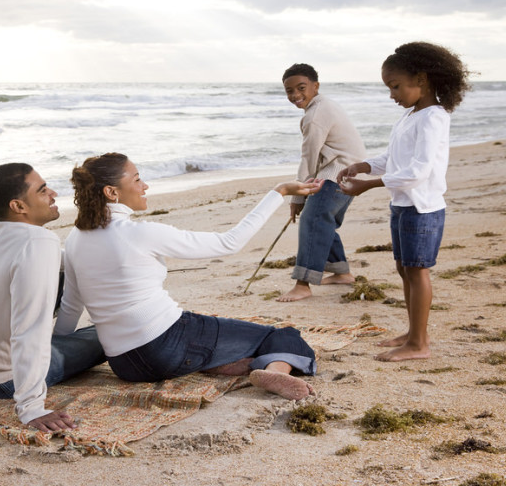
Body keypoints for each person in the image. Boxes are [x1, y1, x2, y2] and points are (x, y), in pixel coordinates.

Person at [54, 152, 323, 401]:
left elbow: (71, 305)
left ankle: (231, 362)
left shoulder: (76, 238)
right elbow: (229, 242)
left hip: (124, 364)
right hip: (167, 346)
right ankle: (278, 370)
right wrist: (279, 192)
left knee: (214, 336)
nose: (144, 186)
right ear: (112, 192)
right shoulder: (141, 233)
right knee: (281, 336)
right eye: (137, 179)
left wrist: (56, 351)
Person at [0, 163, 106, 432]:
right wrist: (31, 408)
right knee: (115, 332)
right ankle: (46, 366)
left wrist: (81, 260)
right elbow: (29, 330)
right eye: (42, 191)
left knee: (66, 274)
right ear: (18, 206)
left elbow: (50, 264)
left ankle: (58, 344)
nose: (53, 193)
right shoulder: (39, 243)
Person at [337, 42, 472, 362]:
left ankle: (419, 344)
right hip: (402, 204)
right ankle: (413, 333)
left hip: (422, 207)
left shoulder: (433, 117)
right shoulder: (412, 116)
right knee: (404, 268)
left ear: (421, 79)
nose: (392, 94)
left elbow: (418, 171)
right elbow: (393, 158)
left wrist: (367, 186)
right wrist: (364, 165)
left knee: (417, 271)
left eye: (395, 86)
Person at [277, 63, 368, 302]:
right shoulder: (322, 106)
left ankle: (303, 285)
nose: (295, 95)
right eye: (289, 91)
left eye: (301, 88)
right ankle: (341, 273)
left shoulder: (316, 115)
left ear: (316, 86)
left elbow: (309, 158)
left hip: (338, 173)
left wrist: (298, 196)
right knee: (323, 221)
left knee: (313, 219)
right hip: (348, 172)